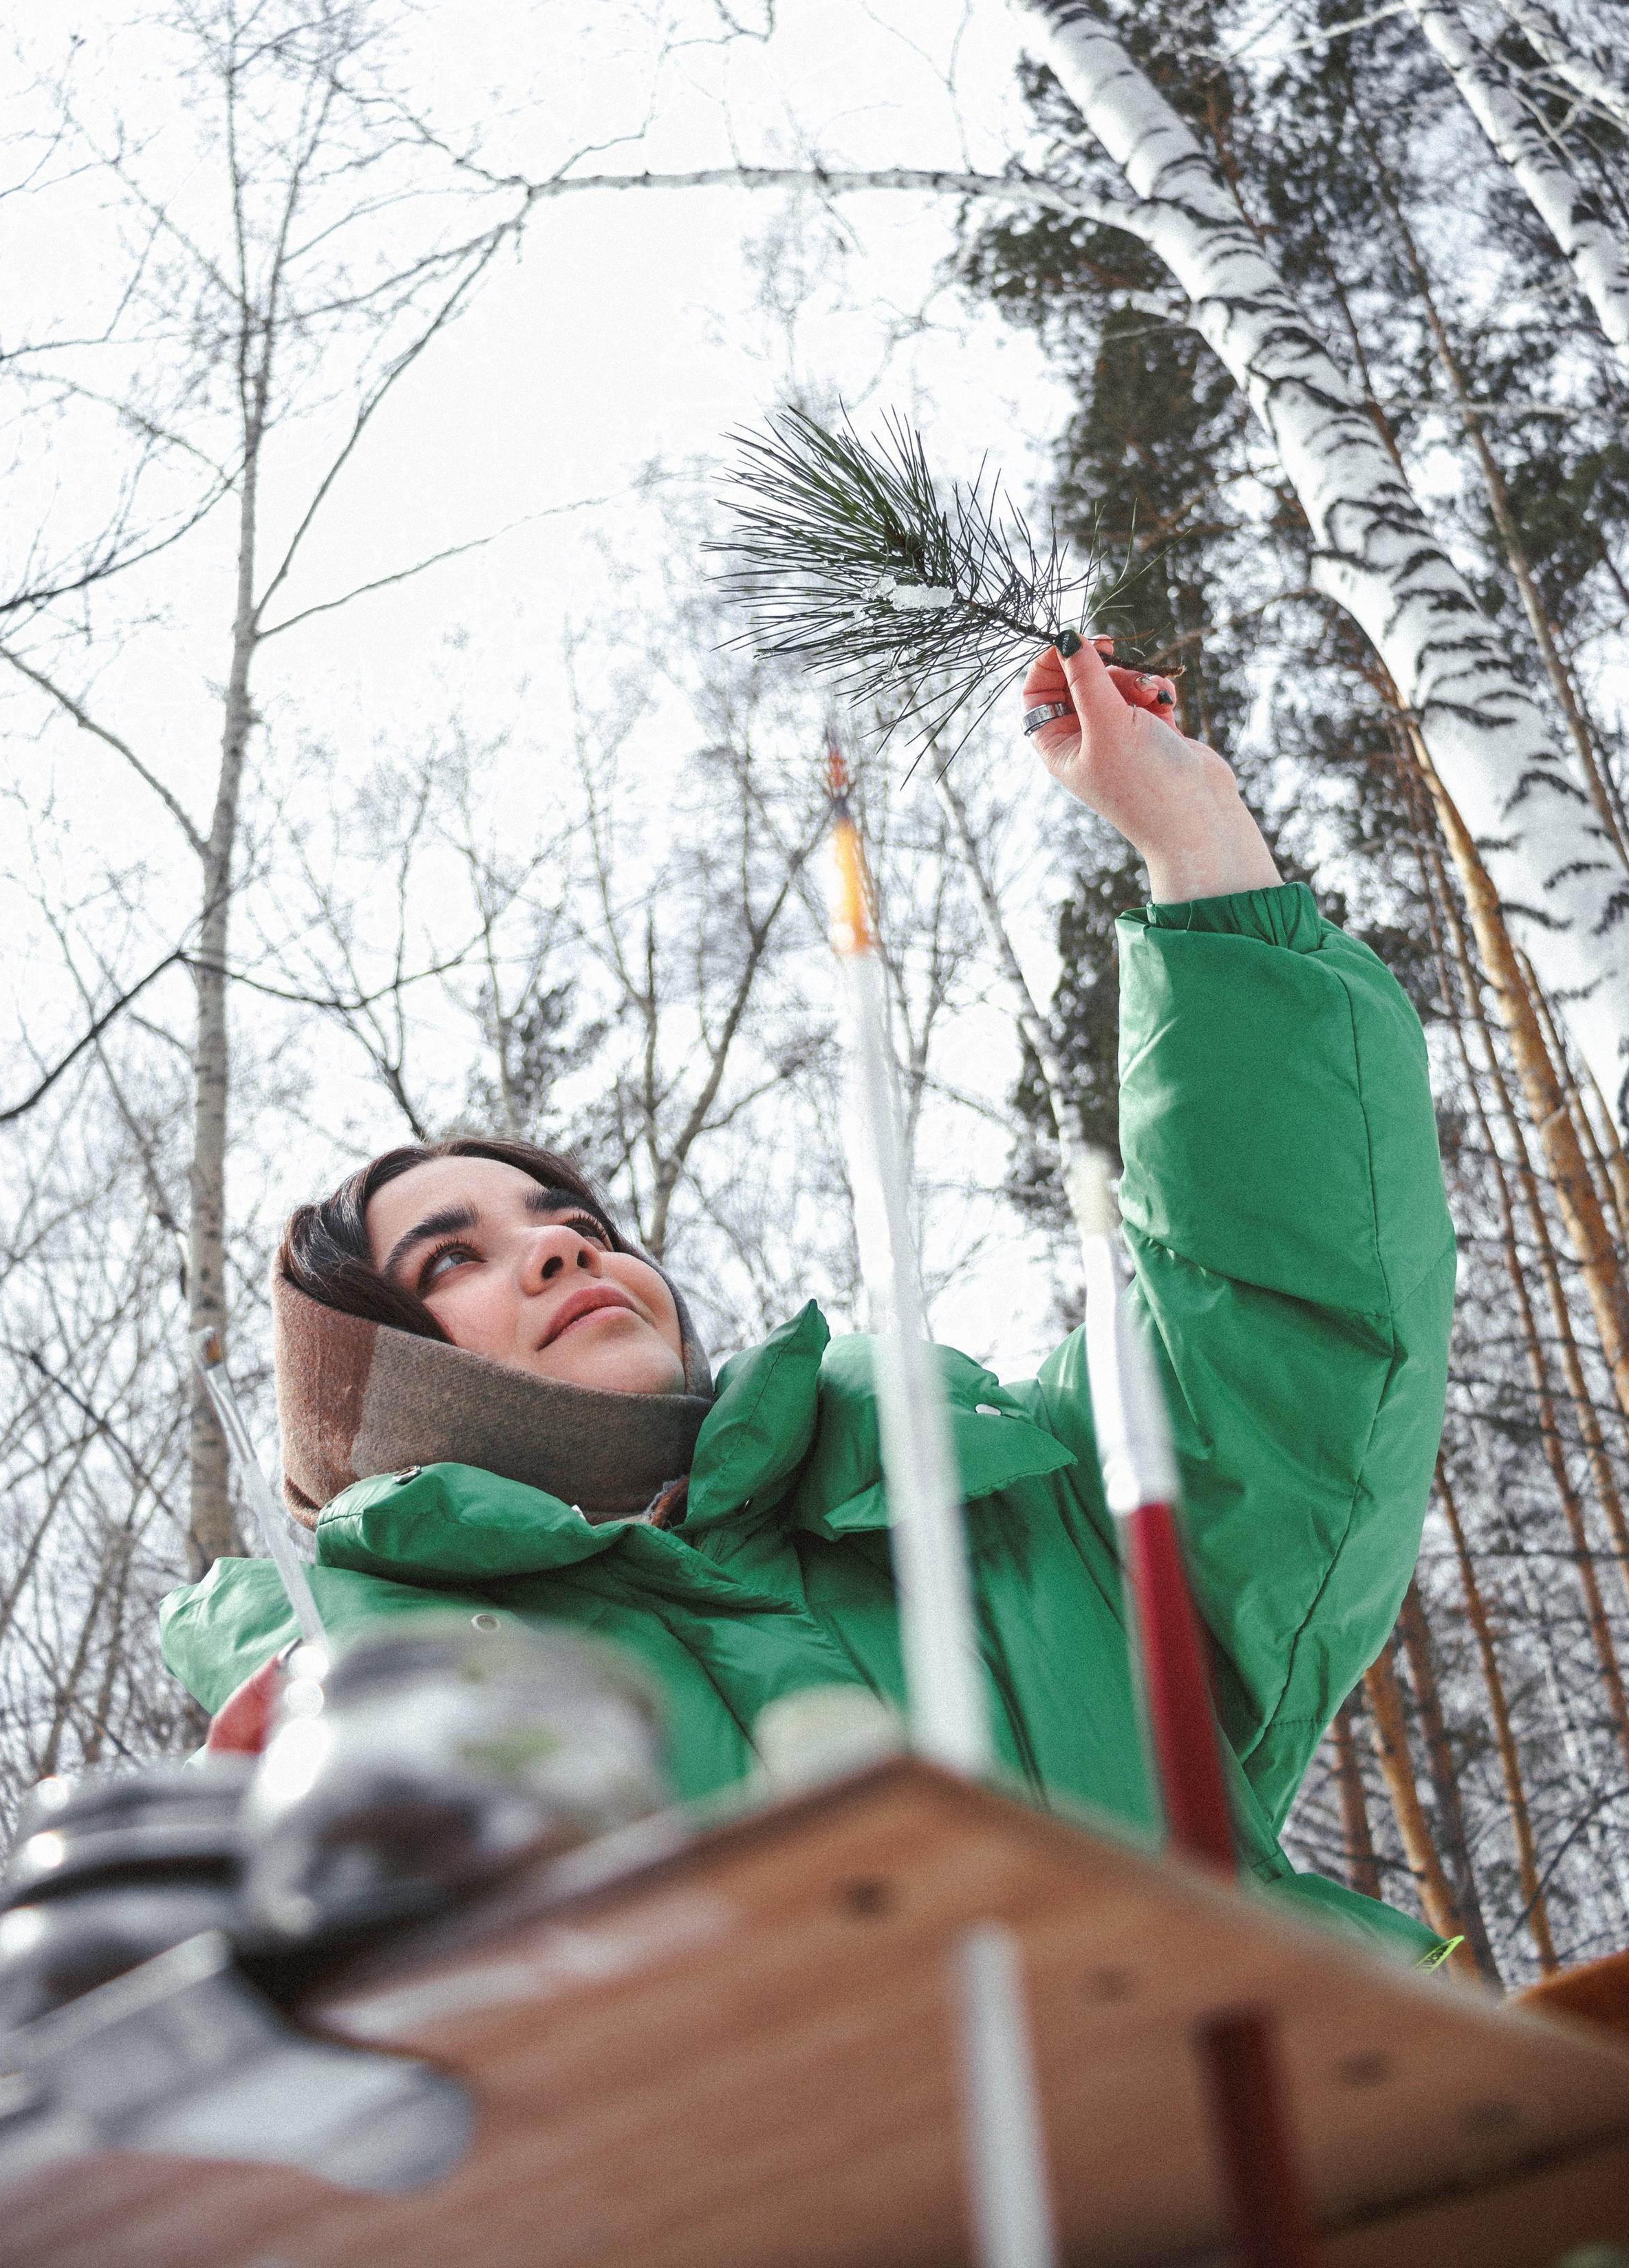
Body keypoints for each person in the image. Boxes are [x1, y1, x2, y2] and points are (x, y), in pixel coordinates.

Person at [161, 638, 1456, 1958]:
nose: (562, 1252)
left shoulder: (1002, 1497)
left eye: (576, 1224)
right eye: (455, 1258)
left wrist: (1194, 833)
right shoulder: (359, 1714)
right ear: (370, 1390)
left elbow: (1290, 1323)